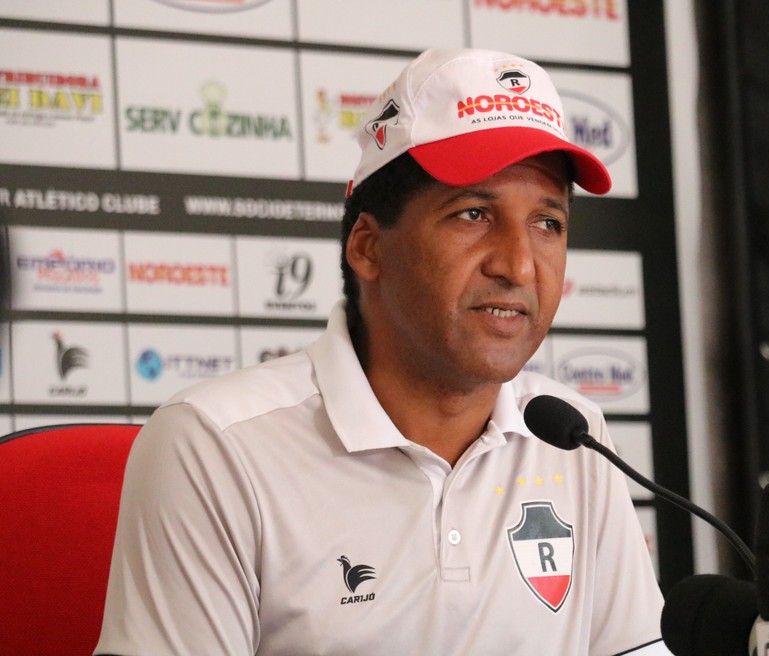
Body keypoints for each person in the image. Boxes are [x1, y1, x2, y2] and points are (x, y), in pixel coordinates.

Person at [96, 47, 667, 655]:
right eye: (473, 213)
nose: (519, 265)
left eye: (547, 223)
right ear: (368, 247)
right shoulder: (215, 445)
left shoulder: (572, 437)